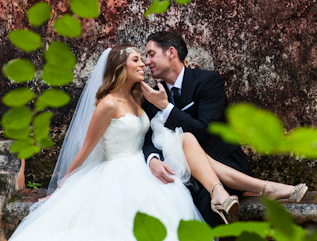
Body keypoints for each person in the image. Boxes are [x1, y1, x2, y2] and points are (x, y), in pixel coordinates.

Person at [9, 45, 237, 241]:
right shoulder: (108, 104)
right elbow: (87, 147)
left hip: (144, 165)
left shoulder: (138, 97)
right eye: (136, 60)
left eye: (143, 59)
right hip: (116, 171)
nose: (143, 65)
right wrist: (62, 186)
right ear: (120, 67)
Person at [141, 31, 308, 226]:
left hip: (223, 165)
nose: (146, 62)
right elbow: (145, 137)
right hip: (180, 172)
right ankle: (267, 188)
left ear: (171, 52)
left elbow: (205, 130)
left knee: (204, 203)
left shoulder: (207, 82)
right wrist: (152, 159)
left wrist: (167, 108)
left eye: (151, 54)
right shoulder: (152, 97)